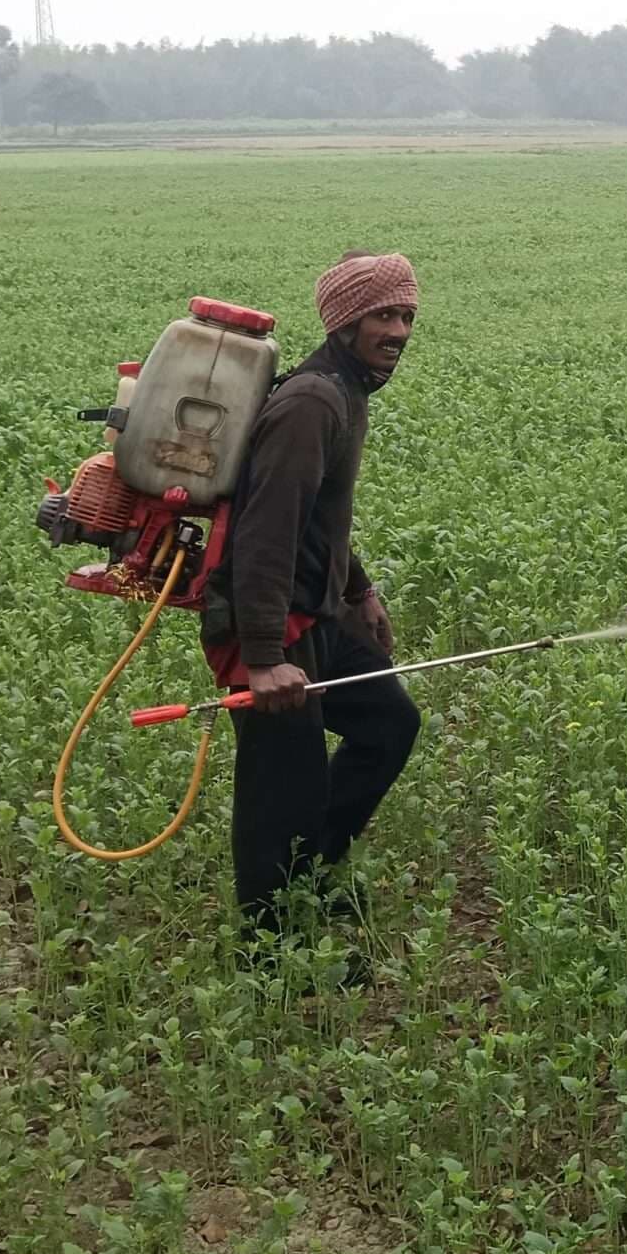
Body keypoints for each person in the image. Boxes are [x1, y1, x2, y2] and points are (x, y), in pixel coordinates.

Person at [201, 250, 422, 942]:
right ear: (345, 319)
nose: (399, 330)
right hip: (267, 623)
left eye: (407, 315)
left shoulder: (346, 390)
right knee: (280, 796)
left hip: (316, 613)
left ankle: (315, 880)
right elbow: (264, 534)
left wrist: (359, 590)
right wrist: (264, 658)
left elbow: (318, 519)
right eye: (383, 314)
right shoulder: (311, 403)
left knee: (389, 724)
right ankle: (272, 955)